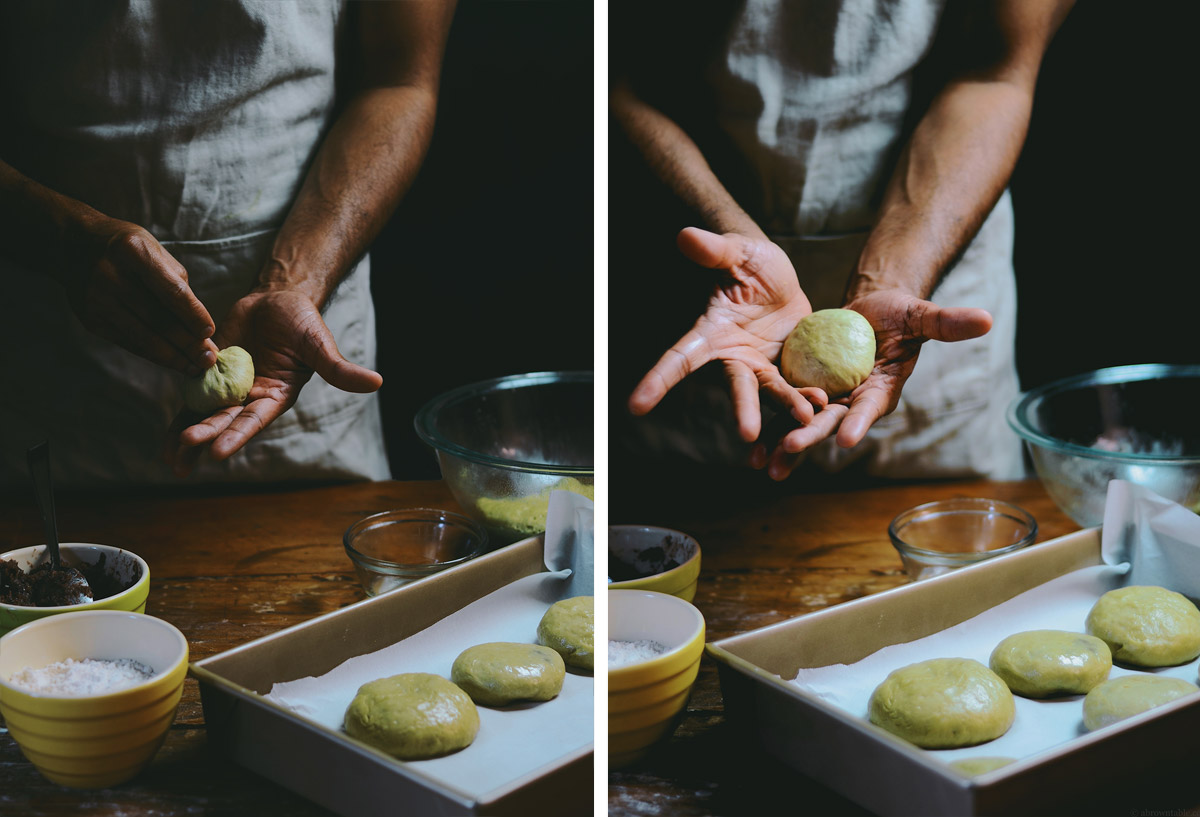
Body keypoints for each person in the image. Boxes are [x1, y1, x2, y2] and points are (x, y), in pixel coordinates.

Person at [610, 0, 1074, 483]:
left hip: (933, 261)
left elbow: (993, 74)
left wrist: (895, 277)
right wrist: (726, 228)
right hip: (701, 304)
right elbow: (619, 77)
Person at [0, 1, 455, 488]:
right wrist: (61, 237)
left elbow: (399, 82)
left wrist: (295, 281)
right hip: (58, 356)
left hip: (298, 348)